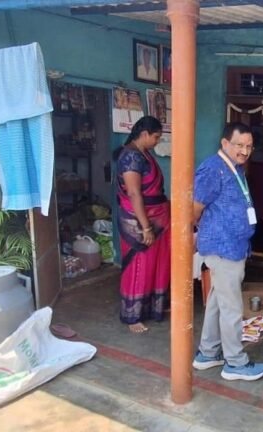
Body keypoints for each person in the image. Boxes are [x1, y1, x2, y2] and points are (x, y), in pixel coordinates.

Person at [191, 122, 263, 381]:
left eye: (249, 146)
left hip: (233, 247)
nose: (244, 151)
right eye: (239, 145)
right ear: (225, 143)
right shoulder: (214, 169)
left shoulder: (234, 168)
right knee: (232, 308)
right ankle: (235, 362)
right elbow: (194, 207)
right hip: (222, 248)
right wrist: (196, 233)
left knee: (217, 302)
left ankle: (208, 353)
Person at [114, 116, 169, 333]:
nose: (157, 141)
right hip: (137, 221)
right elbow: (135, 193)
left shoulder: (143, 153)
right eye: (156, 137)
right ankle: (132, 316)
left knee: (154, 264)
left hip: (157, 217)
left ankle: (152, 308)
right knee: (138, 266)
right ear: (144, 134)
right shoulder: (130, 157)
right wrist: (146, 227)